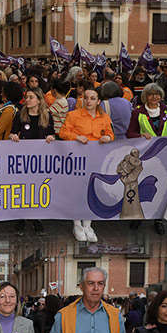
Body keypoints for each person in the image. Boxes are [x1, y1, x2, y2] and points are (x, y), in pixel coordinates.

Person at [59, 86, 114, 242]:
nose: (88, 101)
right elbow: (63, 133)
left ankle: (88, 224)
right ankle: (77, 224)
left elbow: (110, 133)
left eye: (92, 98)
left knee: (92, 190)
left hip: (96, 158)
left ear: (98, 101)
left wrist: (109, 138)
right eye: (86, 97)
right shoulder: (73, 115)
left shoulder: (104, 118)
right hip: (77, 158)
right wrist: (76, 137)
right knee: (77, 191)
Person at [45, 267, 127, 333]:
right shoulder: (64, 315)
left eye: (100, 283)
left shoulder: (115, 315)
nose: (96, 288)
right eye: (91, 283)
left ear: (104, 286)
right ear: (81, 286)